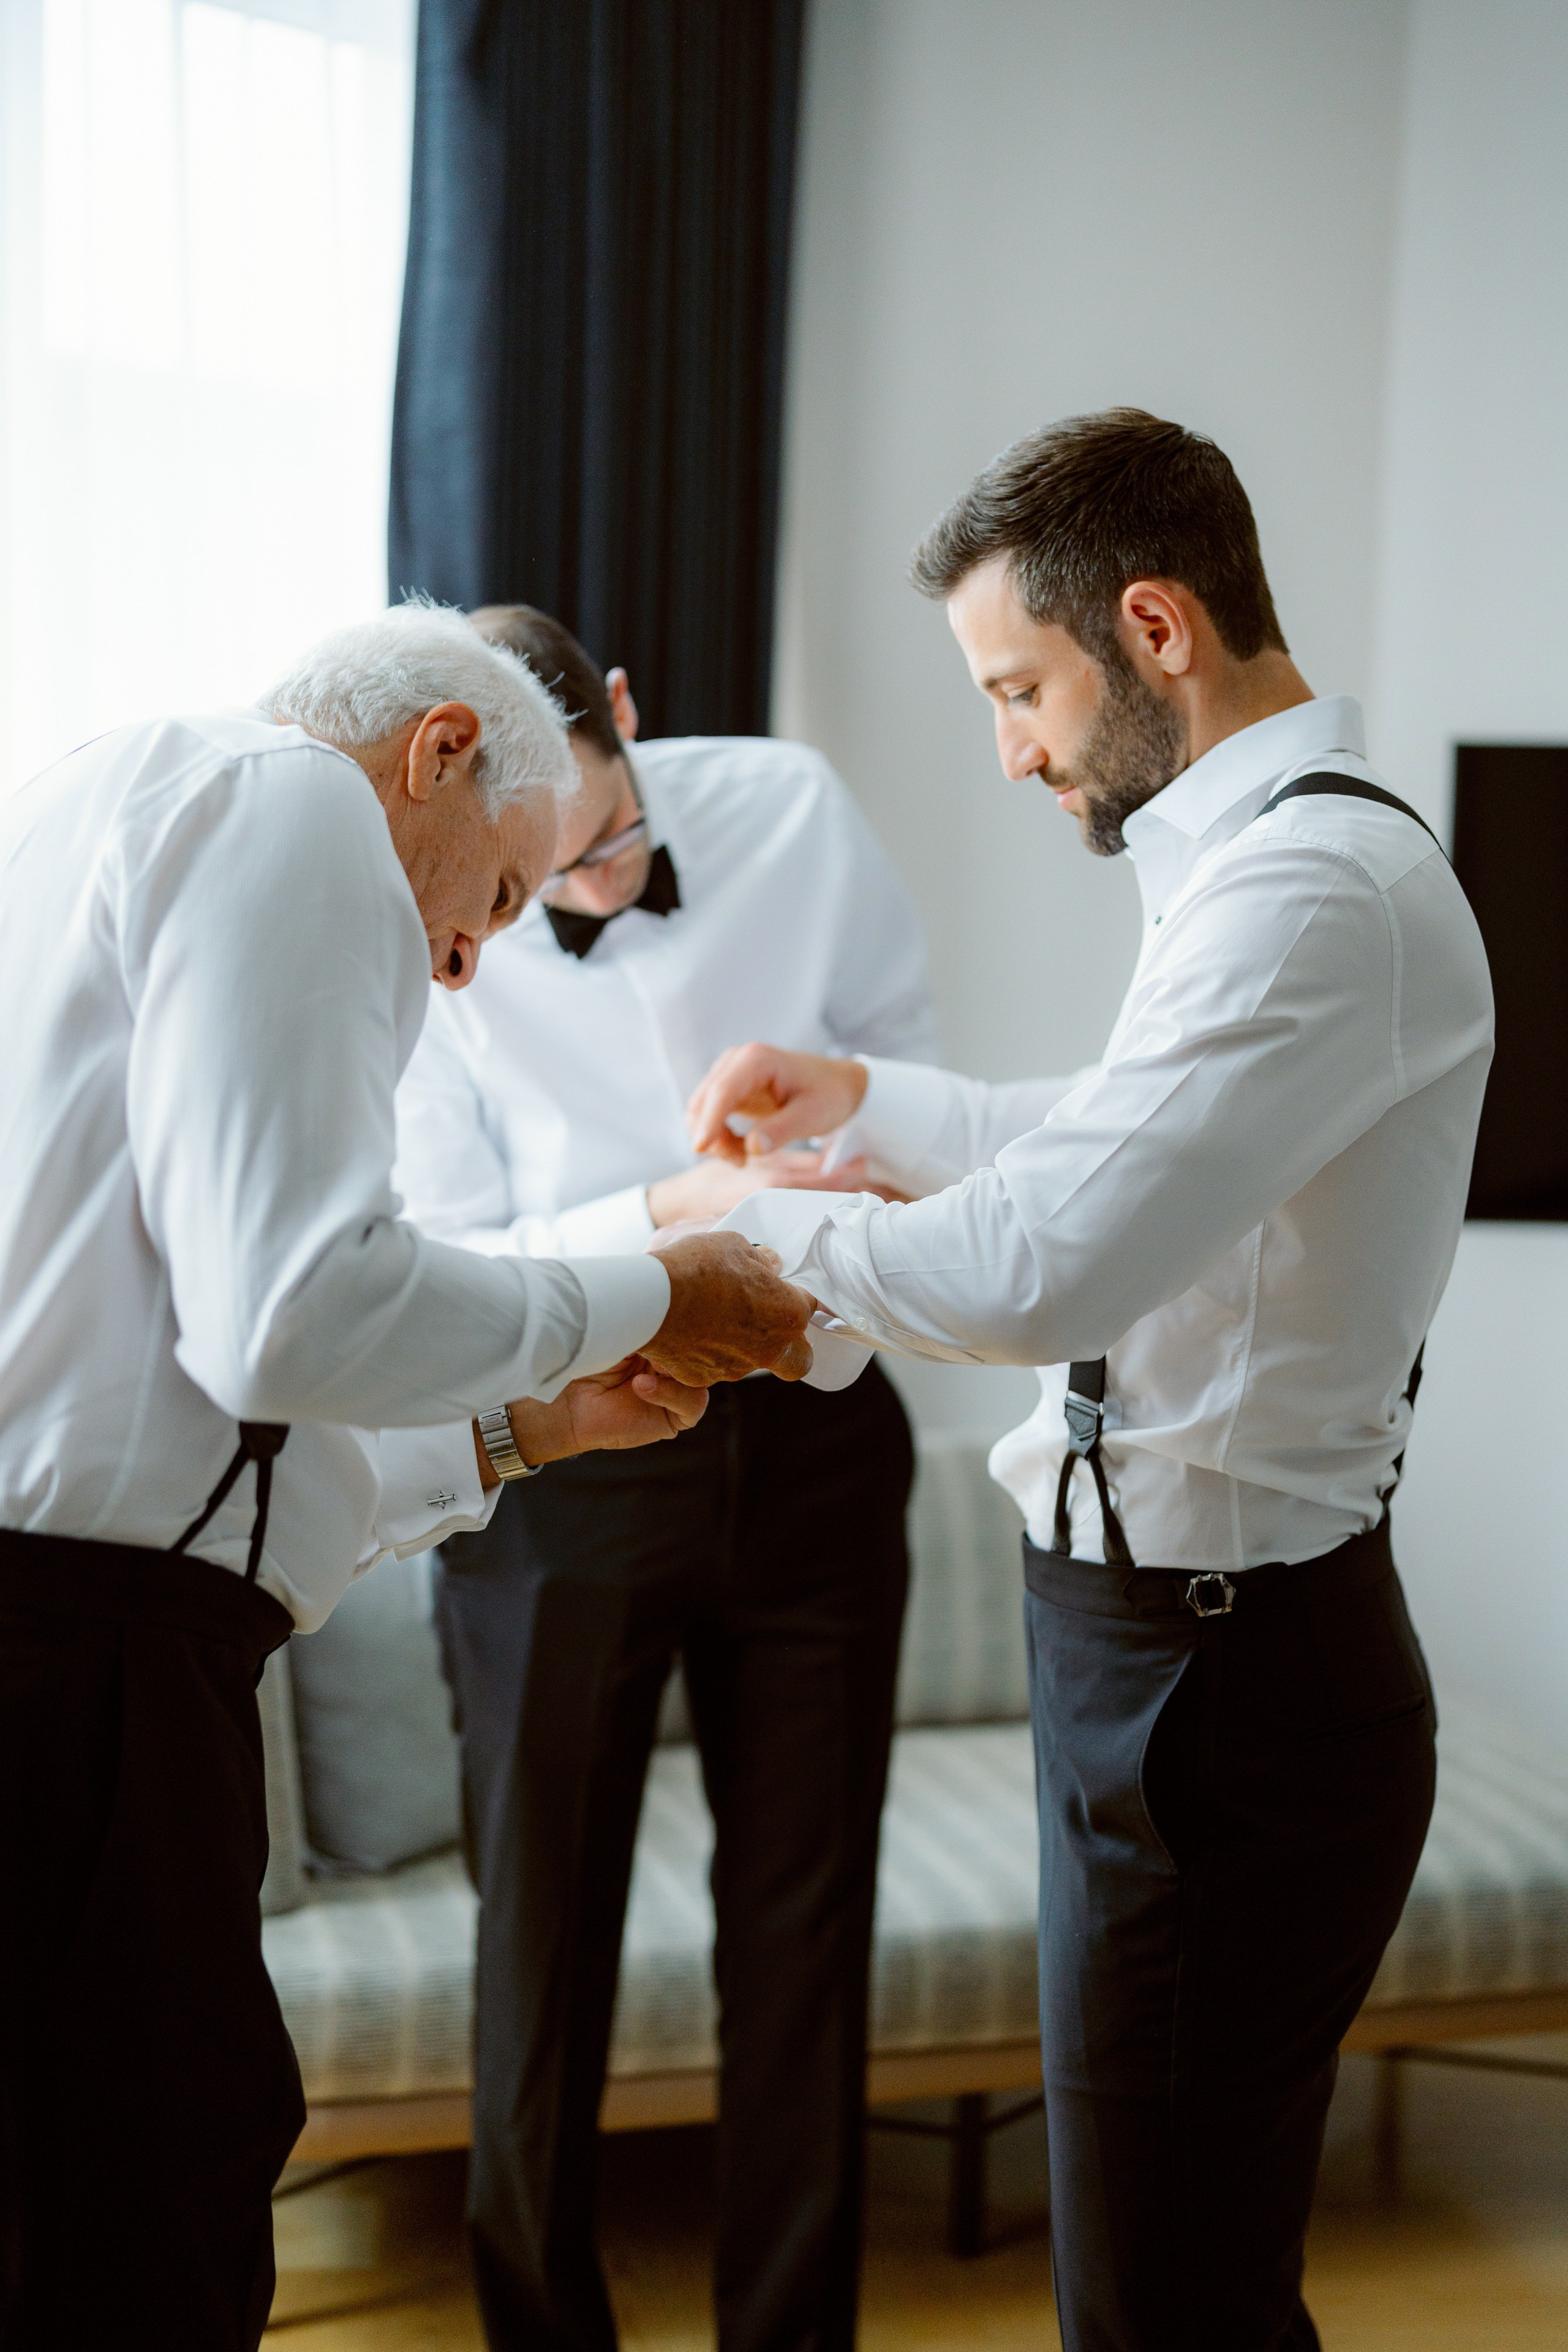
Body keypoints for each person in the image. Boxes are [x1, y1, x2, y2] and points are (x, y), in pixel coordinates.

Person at [685, 410, 1494, 2352]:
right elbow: (1128, 1143)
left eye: (1018, 688)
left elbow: (1048, 1264)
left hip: (1221, 1693)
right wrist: (878, 1107)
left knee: (1160, 2307)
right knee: (1170, 2290)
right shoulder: (1266, 867)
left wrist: (703, 1241)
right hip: (1170, 1662)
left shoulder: (1312, 895)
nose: (1013, 747)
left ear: (1154, 628)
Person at [0, 603, 816, 2352]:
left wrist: (525, 1427)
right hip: (83, 1687)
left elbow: (199, 1422)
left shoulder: (88, 805)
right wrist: (660, 1282)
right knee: (147, 2250)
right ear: (440, 750)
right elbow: (289, 1316)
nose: (467, 965)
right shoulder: (291, 801)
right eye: (502, 895)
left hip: (80, 1646)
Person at [391, 603, 935, 2352]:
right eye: (548, 869)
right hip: (567, 1464)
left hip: (817, 1445)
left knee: (804, 1944)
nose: (594, 889)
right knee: (540, 1947)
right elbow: (454, 1257)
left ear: (626, 713)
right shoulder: (425, 937)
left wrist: (809, 1164)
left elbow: (906, 1098)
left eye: (613, 835)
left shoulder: (796, 813)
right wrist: (659, 1222)